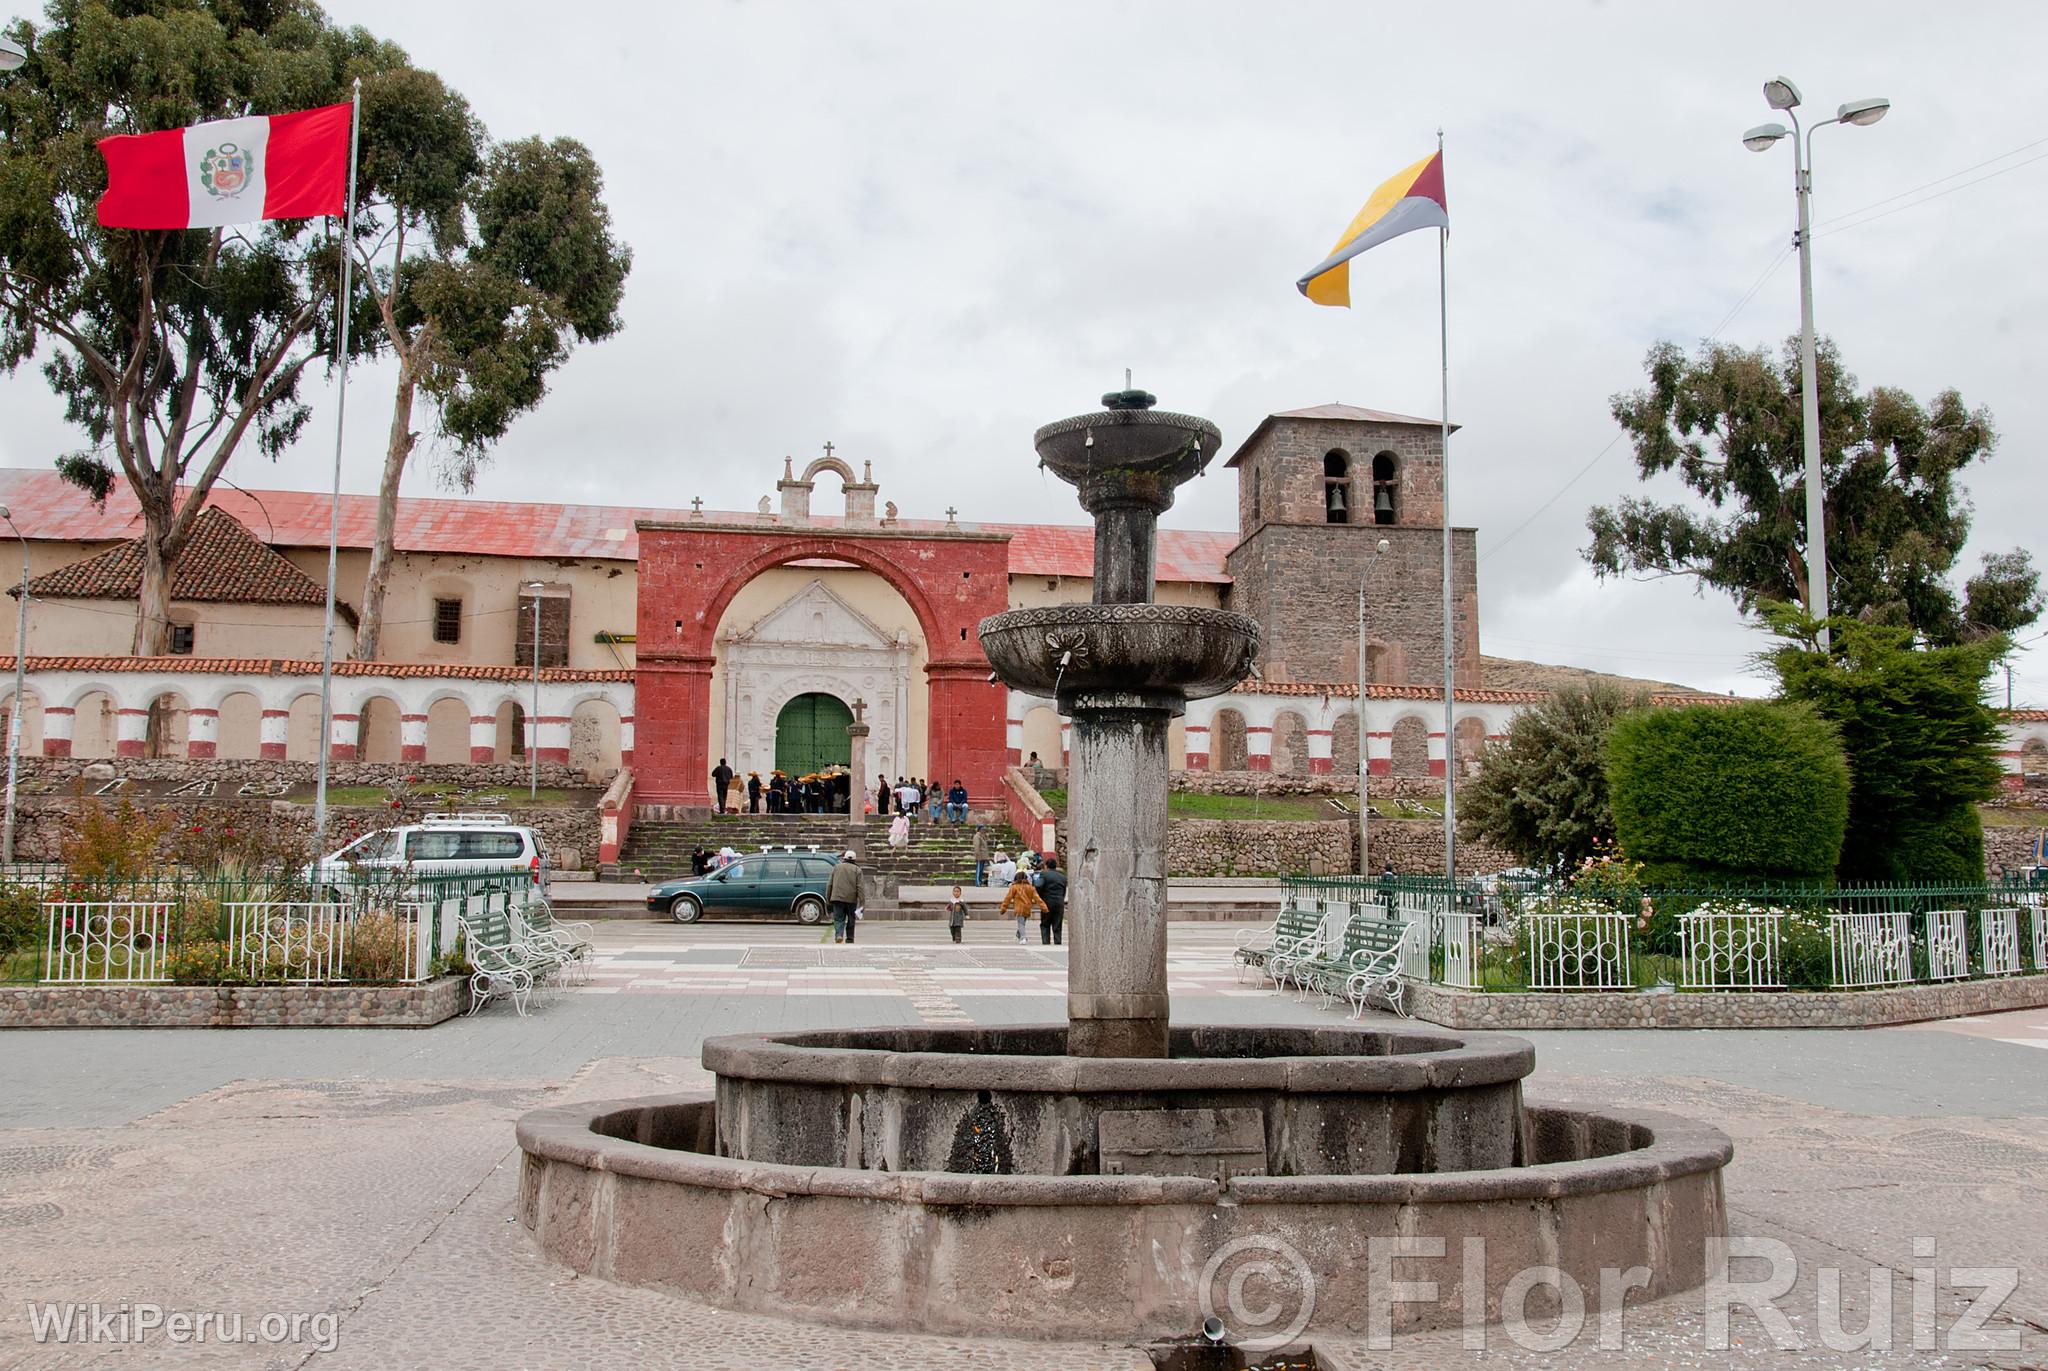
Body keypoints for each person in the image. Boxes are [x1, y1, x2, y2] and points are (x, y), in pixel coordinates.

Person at [999, 869, 1047, 943]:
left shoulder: (1014, 887)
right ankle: (1017, 936)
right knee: (1022, 922)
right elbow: (1037, 899)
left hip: (1019, 908)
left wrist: (1003, 908)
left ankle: (1023, 937)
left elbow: (1008, 898)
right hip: (1027, 908)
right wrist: (1044, 908)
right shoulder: (1031, 887)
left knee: (1021, 923)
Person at [827, 849, 862, 944]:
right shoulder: (857, 870)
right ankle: (850, 938)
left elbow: (829, 884)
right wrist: (862, 902)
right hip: (851, 899)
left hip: (837, 898)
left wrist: (828, 898)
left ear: (844, 858)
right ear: (854, 860)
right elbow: (860, 887)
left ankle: (839, 935)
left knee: (838, 919)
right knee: (851, 919)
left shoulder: (836, 867)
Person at [1036, 855, 1068, 946]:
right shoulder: (1063, 877)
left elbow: (1038, 886)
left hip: (1047, 902)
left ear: (1046, 866)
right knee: (1057, 925)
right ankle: (1058, 943)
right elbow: (1064, 890)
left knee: (1045, 924)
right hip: (1059, 902)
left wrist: (1040, 897)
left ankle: (1046, 943)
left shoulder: (1044, 874)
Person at [971, 823, 989, 887]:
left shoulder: (982, 836)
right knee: (978, 870)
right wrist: (978, 856)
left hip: (983, 856)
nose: (984, 830)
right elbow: (977, 847)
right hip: (980, 856)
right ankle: (978, 882)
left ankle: (980, 882)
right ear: (979, 830)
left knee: (981, 870)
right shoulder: (977, 836)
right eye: (982, 829)